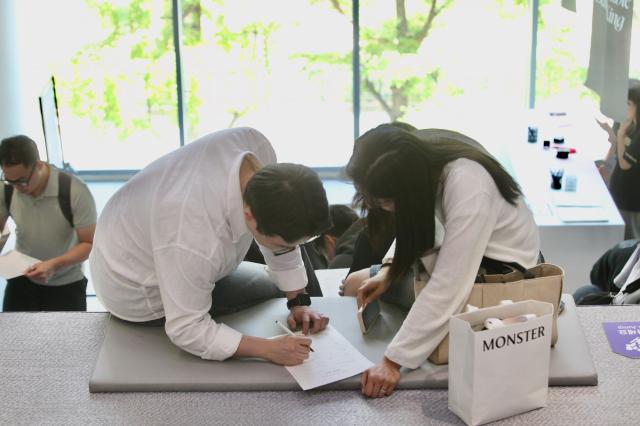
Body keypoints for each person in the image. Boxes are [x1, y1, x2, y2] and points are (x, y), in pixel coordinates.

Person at [90, 127, 331, 366]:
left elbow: (283, 237)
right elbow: (186, 329)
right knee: (269, 289)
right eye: (283, 245)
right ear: (249, 216)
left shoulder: (257, 148)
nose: (290, 249)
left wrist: (298, 301)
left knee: (281, 277)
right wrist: (268, 349)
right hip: (131, 286)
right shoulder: (192, 235)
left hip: (147, 233)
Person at [343, 124, 540, 398]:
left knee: (355, 284)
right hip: (468, 258)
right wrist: (389, 270)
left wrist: (393, 361)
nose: (383, 207)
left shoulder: (468, 184)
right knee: (359, 284)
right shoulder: (420, 158)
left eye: (386, 201)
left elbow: (450, 283)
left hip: (497, 275)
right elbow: (418, 224)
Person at [0, 135, 97, 311]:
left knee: (65, 338)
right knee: (11, 335)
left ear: (39, 165)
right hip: (22, 277)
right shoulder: (8, 188)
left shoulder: (73, 190)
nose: (16, 187)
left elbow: (89, 243)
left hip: (66, 283)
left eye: (22, 181)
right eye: (9, 180)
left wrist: (53, 264)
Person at [608, 85, 640, 239]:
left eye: (628, 104)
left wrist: (620, 135)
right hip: (621, 195)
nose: (625, 108)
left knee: (630, 243)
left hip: (631, 200)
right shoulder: (631, 126)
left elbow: (624, 163)